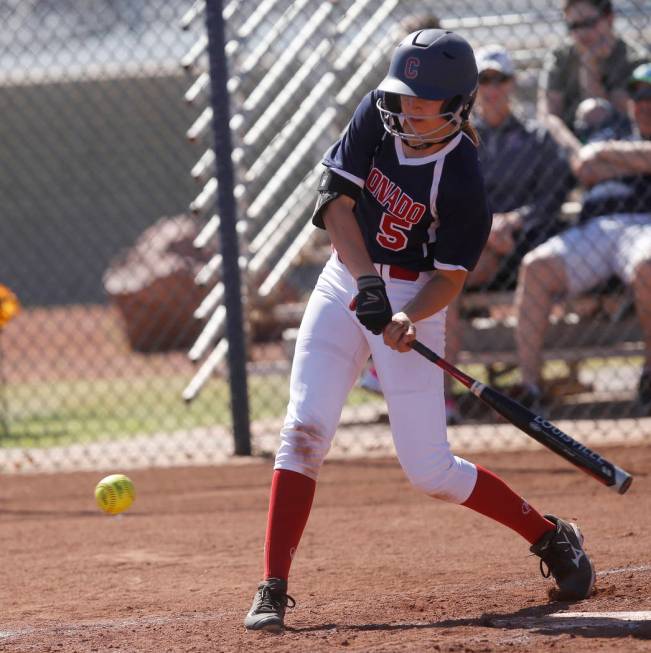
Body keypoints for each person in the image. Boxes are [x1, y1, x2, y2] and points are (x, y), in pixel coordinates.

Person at [243, 29, 595, 633]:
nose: (405, 106)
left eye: (421, 99)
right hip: (343, 278)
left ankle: (548, 534)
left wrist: (406, 317)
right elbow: (335, 204)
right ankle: (273, 585)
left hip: (415, 295)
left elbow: (450, 279)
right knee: (303, 430)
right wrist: (364, 283)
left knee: (429, 471)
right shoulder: (377, 118)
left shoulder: (462, 178)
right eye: (400, 93)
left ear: (458, 106)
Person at [443, 45, 573, 422]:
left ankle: (529, 391)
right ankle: (443, 397)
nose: (492, 88)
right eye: (484, 80)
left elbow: (551, 198)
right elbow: (450, 197)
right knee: (448, 274)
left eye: (499, 79)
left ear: (513, 84)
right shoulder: (459, 139)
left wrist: (512, 222)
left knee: (523, 260)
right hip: (478, 247)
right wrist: (487, 227)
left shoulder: (537, 136)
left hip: (527, 241)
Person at [515, 62, 651, 412]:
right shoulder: (612, 130)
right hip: (595, 229)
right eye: (637, 95)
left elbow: (596, 160)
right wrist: (633, 159)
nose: (643, 102)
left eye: (650, 95)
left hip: (643, 225)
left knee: (648, 265)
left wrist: (608, 156)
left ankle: (650, 373)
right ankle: (529, 387)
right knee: (536, 266)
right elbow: (585, 166)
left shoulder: (611, 141)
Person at [538, 0, 648, 132]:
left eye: (589, 23)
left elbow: (623, 116)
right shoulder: (561, 56)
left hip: (622, 140)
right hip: (568, 142)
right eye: (574, 25)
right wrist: (575, 150)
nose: (582, 32)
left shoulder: (635, 59)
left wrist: (590, 63)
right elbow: (548, 116)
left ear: (610, 19)